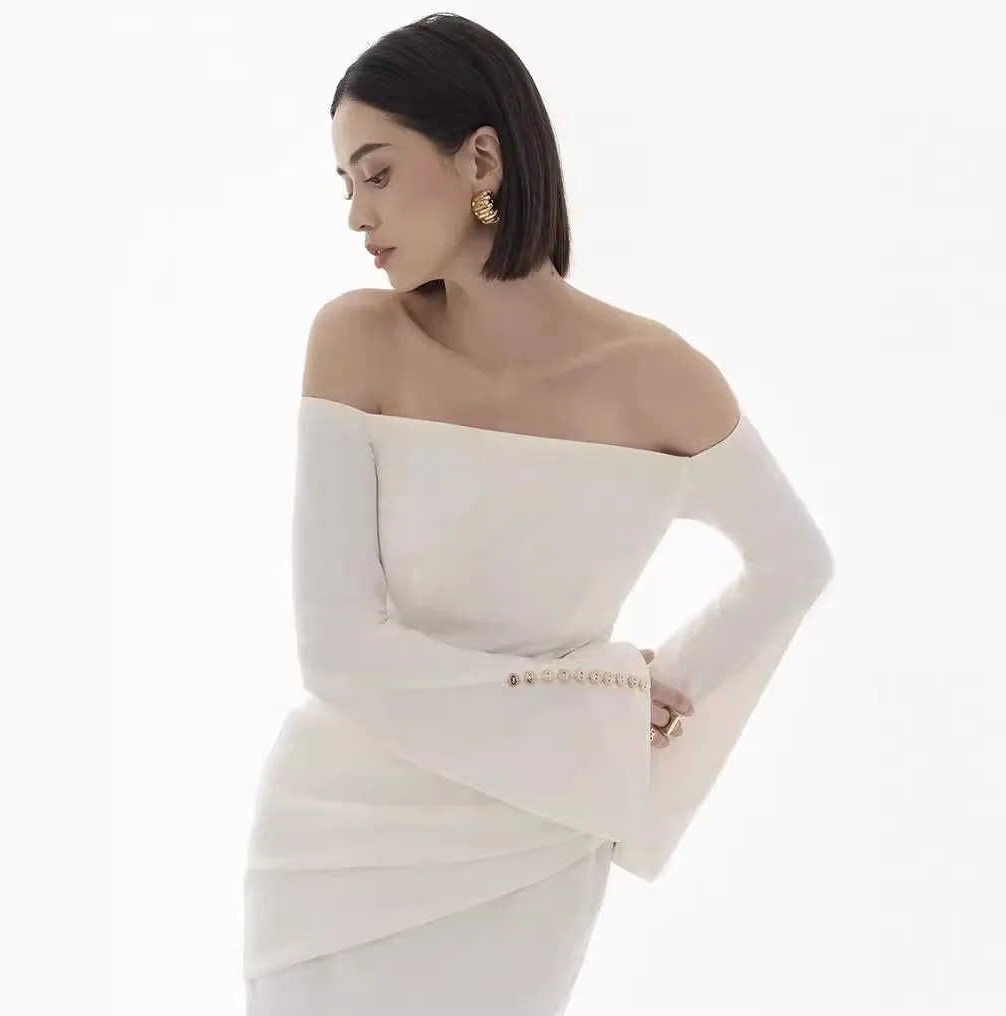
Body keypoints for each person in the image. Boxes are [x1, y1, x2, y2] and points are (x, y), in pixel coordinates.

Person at [242, 12, 834, 1015]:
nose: (356, 214)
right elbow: (336, 652)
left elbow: (792, 563)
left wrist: (639, 711)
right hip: (338, 835)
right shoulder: (358, 341)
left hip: (533, 832)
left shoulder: (660, 379)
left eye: (376, 174)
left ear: (480, 158)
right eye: (345, 185)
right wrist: (592, 702)